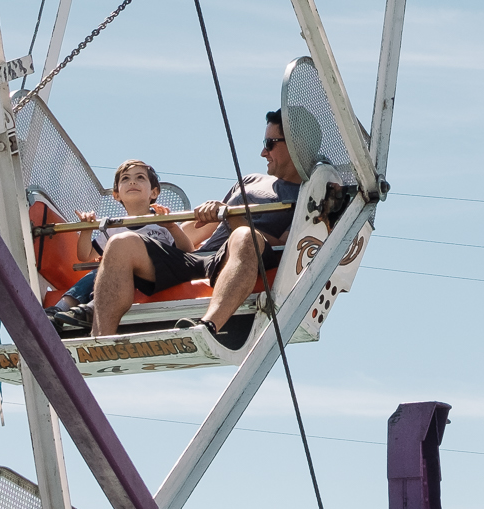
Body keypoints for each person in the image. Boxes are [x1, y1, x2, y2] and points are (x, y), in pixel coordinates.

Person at [171, 108, 310, 348]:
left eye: (270, 143)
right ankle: (99, 336)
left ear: (296, 144)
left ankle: (208, 327)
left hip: (242, 256)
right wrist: (163, 228)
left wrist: (235, 220)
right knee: (126, 243)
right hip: (202, 259)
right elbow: (196, 232)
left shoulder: (310, 196)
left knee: (246, 236)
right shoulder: (250, 181)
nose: (263, 152)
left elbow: (282, 247)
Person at [64, 159, 204, 339]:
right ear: (116, 195)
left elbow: (186, 252)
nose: (132, 182)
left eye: (140, 177)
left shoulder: (162, 221)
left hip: (153, 273)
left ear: (154, 192)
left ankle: (92, 307)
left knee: (118, 268)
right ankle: (61, 309)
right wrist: (86, 229)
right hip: (123, 275)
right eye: (125, 179)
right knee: (101, 271)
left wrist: (172, 227)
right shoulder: (113, 227)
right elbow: (85, 255)